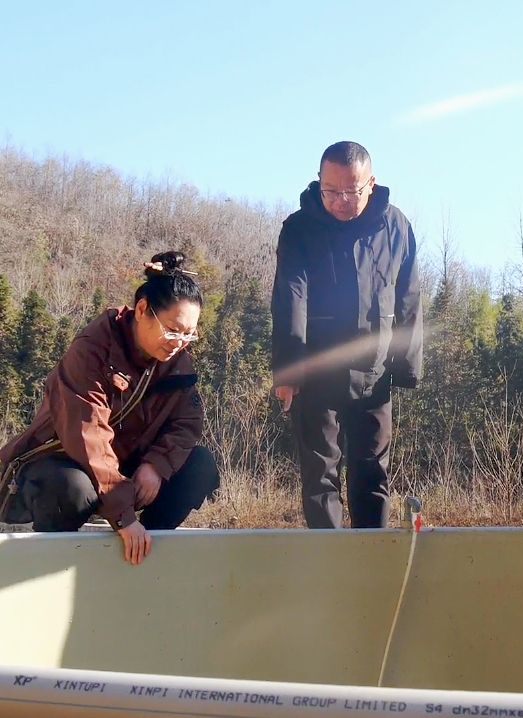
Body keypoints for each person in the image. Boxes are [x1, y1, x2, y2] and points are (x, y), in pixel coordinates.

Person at [0, 251, 219, 564]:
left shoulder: (176, 359)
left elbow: (187, 422)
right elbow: (87, 434)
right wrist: (123, 515)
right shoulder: (93, 349)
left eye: (189, 334)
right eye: (173, 330)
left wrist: (156, 465)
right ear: (142, 310)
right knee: (71, 489)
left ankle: (146, 553)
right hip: (67, 462)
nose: (179, 342)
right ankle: (54, 562)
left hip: (128, 464)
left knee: (200, 465)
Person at [271, 141, 423, 528]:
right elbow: (290, 298)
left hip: (375, 371)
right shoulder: (299, 228)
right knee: (320, 476)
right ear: (318, 182)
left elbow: (408, 297)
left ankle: (371, 559)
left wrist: (405, 366)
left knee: (372, 473)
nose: (340, 201)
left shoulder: (396, 226)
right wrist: (288, 370)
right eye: (330, 191)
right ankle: (330, 559)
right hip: (316, 371)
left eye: (351, 191)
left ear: (371, 183)